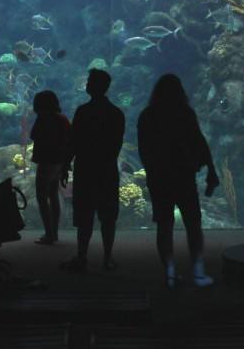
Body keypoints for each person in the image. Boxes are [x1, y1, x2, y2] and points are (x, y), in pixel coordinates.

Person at [138, 73, 220, 288]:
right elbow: (199, 142)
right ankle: (198, 272)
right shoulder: (185, 112)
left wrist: (152, 171)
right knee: (193, 224)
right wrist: (210, 169)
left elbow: (144, 149)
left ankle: (170, 273)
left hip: (159, 178)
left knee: (164, 226)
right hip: (184, 176)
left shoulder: (147, 115)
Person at [60, 69, 125, 272]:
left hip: (86, 169)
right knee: (108, 217)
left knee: (84, 216)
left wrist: (65, 165)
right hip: (107, 170)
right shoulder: (116, 113)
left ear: (96, 85)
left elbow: (73, 142)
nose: (87, 84)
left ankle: (82, 257)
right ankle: (107, 258)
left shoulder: (83, 111)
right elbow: (116, 145)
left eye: (89, 81)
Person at [30, 90, 70, 245]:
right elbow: (68, 139)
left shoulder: (43, 118)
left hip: (46, 161)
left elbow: (33, 135)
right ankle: (54, 232)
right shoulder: (62, 119)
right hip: (59, 162)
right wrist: (66, 165)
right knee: (53, 195)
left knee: (41, 197)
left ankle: (49, 234)